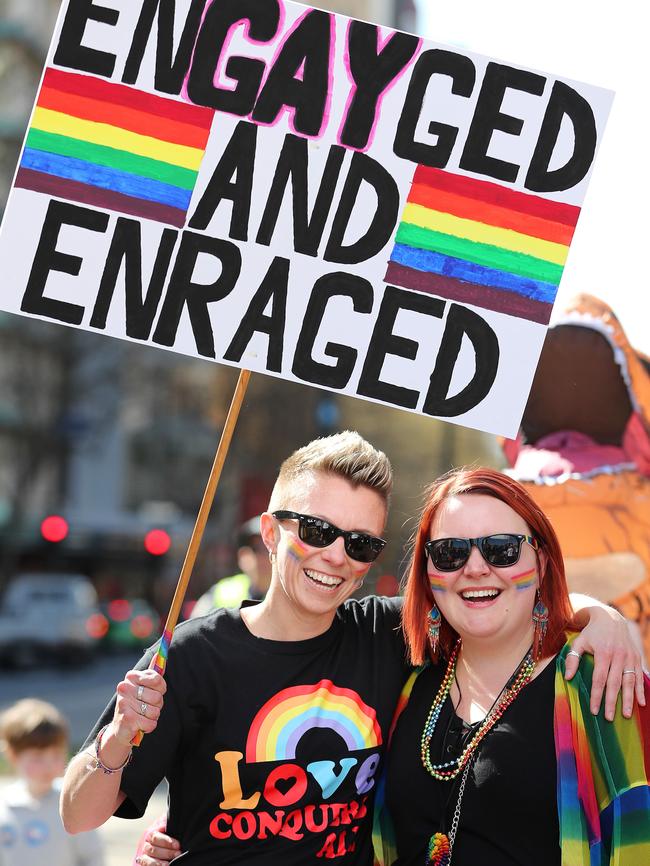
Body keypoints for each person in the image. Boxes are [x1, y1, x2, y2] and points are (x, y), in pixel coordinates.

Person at [60, 432, 643, 866]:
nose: (335, 555)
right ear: (270, 532)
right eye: (315, 531)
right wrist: (115, 741)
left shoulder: (391, 637)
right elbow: (79, 815)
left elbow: (492, 600)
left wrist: (600, 615)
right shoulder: (193, 655)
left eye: (360, 543)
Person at [375, 467, 650, 866]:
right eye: (450, 552)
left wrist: (602, 614)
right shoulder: (407, 676)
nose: (474, 568)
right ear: (428, 569)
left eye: (500, 548)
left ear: (540, 562)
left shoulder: (602, 681)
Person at [0, 698, 104, 866]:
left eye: (56, 755)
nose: (48, 765)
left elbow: (92, 856)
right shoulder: (4, 807)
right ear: (13, 755)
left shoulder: (74, 803)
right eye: (37, 758)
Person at [190, 515, 271, 617]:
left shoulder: (292, 596)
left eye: (269, 548)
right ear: (242, 555)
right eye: (256, 549)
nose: (264, 557)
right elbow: (196, 625)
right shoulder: (222, 592)